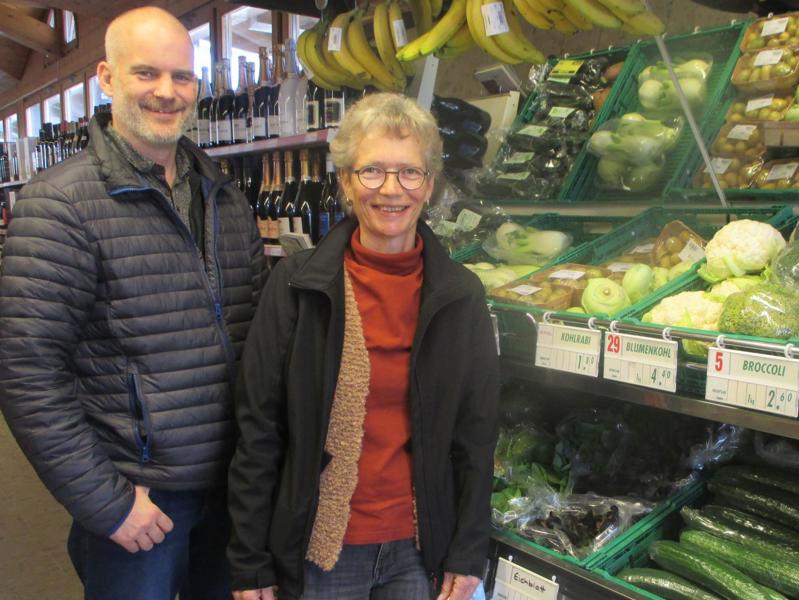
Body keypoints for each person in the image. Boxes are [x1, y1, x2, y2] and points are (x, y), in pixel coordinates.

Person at [0, 6, 265, 599]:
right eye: (146, 74)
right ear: (108, 77)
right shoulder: (59, 204)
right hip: (141, 497)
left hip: (232, 487)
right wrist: (107, 503)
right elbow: (26, 372)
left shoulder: (224, 195)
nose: (167, 92)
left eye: (182, 77)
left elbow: (258, 333)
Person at [227, 92, 500, 600]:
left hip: (421, 552)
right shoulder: (296, 287)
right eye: (372, 171)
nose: (391, 190)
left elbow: (476, 438)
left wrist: (468, 550)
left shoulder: (460, 296)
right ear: (346, 182)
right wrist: (250, 561)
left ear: (430, 186)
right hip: (321, 551)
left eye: (409, 173)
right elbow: (258, 431)